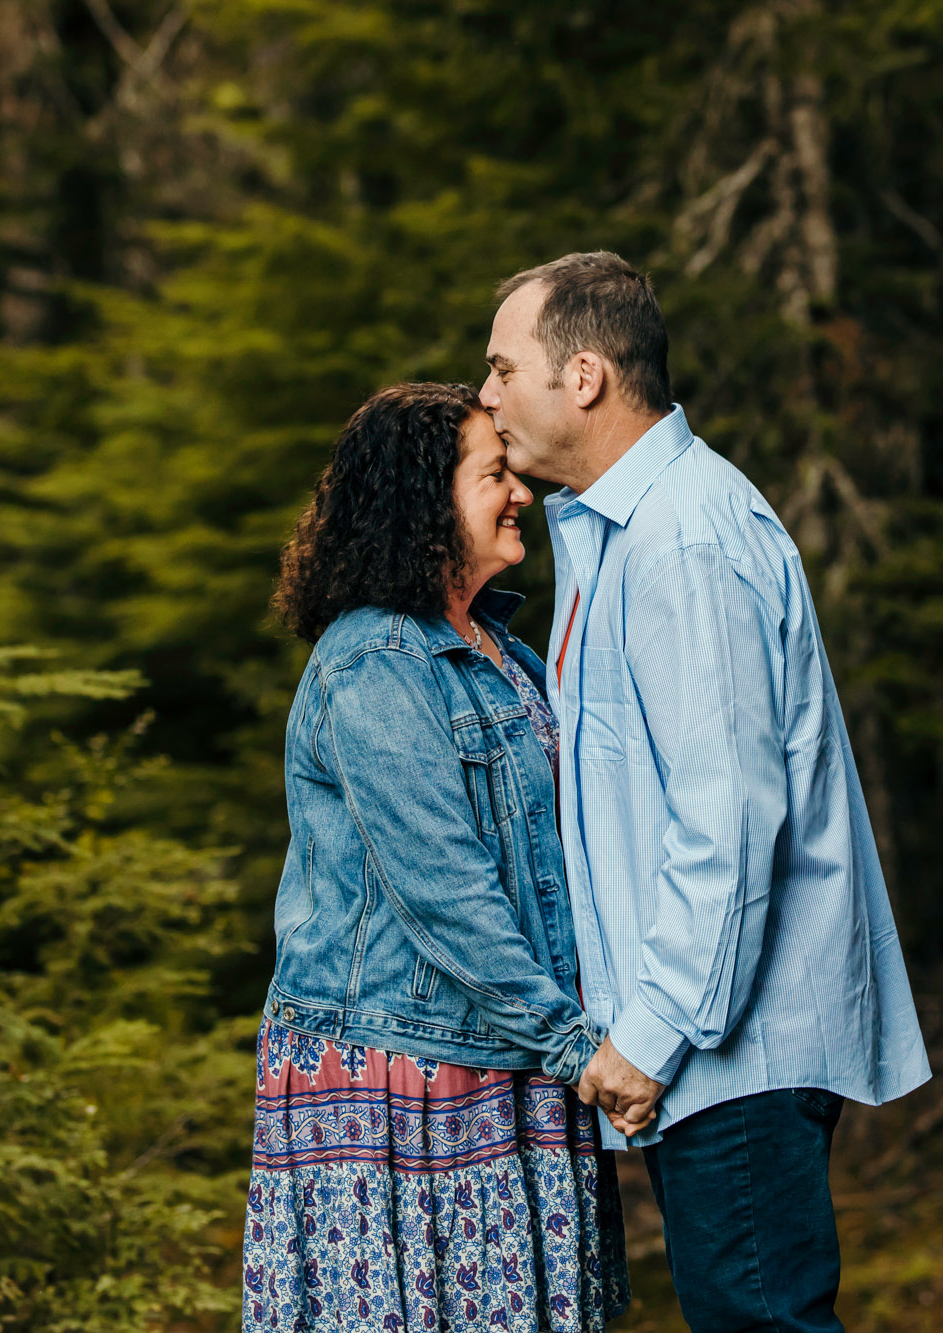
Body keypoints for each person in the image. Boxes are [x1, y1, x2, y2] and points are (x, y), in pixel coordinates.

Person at [479, 252, 933, 1333]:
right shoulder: (617, 532)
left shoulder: (683, 536)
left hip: (733, 1045)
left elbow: (729, 818)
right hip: (711, 1045)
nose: (486, 394)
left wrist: (650, 1031)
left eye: (501, 367)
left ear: (582, 375)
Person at [243, 382, 629, 1331]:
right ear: (423, 505)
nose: (520, 493)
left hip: (511, 1053)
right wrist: (577, 1046)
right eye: (493, 474)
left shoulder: (501, 648)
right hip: (403, 1071)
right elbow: (444, 888)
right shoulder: (375, 660)